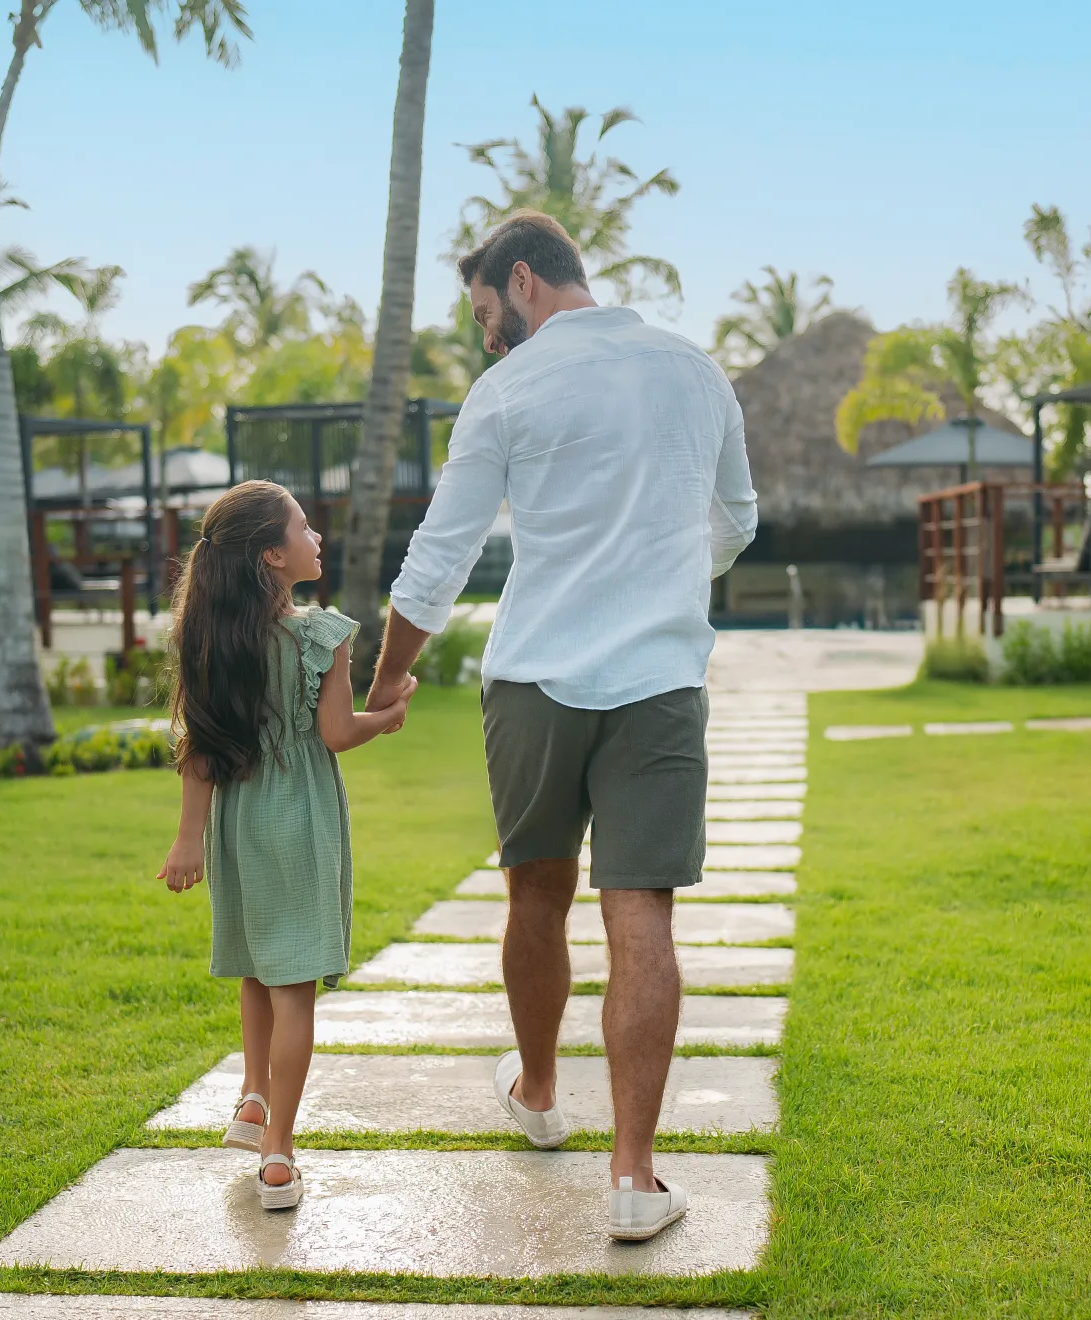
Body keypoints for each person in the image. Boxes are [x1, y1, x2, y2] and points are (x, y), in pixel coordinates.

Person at [368, 211, 758, 1241]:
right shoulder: (695, 372)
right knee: (642, 916)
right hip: (657, 679)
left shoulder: (506, 390)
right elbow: (738, 521)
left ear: (526, 281)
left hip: (534, 679)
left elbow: (438, 557)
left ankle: (538, 1095)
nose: (490, 337)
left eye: (490, 315)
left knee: (533, 894)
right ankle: (634, 1179)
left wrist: (384, 683)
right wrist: (664, 575)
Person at [159, 480, 416, 1211]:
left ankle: (251, 1098)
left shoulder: (208, 637)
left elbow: (200, 748)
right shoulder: (319, 634)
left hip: (238, 820)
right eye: (304, 528)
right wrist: (389, 713)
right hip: (299, 815)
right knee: (294, 983)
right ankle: (278, 1156)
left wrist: (188, 840)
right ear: (273, 554)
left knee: (257, 967)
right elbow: (337, 733)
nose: (317, 538)